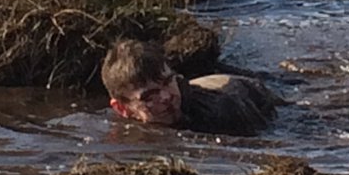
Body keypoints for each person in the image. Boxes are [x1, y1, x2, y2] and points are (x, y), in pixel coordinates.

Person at [102, 39, 275, 135]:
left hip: (248, 91)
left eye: (168, 82)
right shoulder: (118, 131)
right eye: (150, 96)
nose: (166, 97)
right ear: (122, 109)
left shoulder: (222, 113)